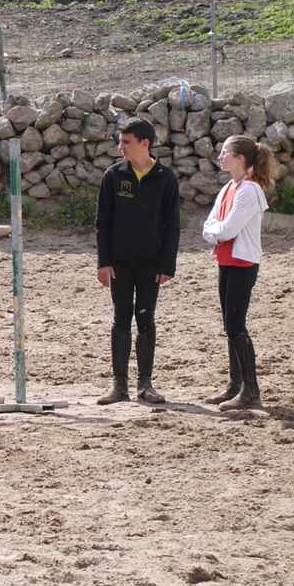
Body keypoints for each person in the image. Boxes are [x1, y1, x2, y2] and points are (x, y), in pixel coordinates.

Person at [95, 118, 181, 405]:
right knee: (121, 318)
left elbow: (173, 226)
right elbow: (102, 223)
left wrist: (167, 266)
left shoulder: (166, 178)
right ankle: (119, 386)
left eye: (126, 142)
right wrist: (103, 262)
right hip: (119, 264)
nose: (121, 147)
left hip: (151, 265)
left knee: (146, 318)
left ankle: (145, 384)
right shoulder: (113, 175)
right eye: (120, 141)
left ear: (145, 143)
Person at [201, 134, 275, 410]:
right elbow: (210, 223)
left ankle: (250, 390)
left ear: (240, 159)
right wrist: (215, 233)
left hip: (242, 264)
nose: (221, 157)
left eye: (225, 152)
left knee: (235, 325)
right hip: (227, 262)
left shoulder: (249, 190)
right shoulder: (230, 187)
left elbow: (226, 229)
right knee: (230, 325)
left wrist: (215, 233)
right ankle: (236, 385)